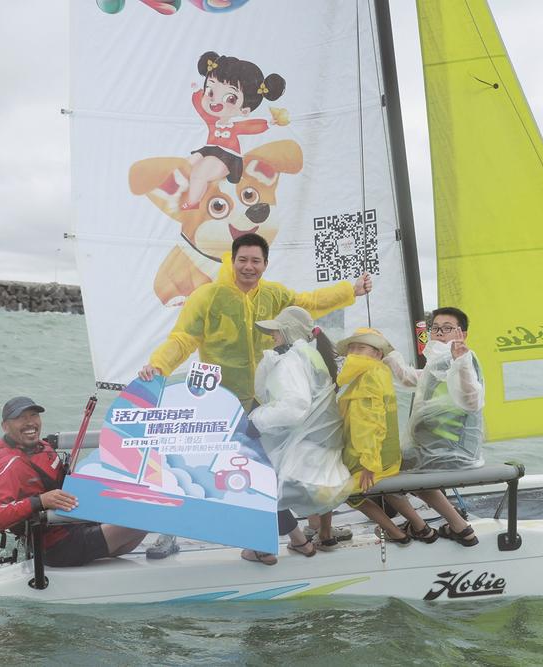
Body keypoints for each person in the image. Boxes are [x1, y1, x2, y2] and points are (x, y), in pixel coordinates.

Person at [139, 232, 371, 559]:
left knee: (260, 474)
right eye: (243, 260)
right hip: (218, 400)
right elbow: (182, 339)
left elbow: (308, 303)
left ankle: (292, 537)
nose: (249, 266)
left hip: (263, 405)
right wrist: (158, 366)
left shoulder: (274, 295)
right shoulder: (207, 296)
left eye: (256, 261)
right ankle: (170, 534)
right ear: (232, 260)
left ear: (265, 263)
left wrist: (350, 291)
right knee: (189, 464)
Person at [0, 397, 148, 567]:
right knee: (146, 516)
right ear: (5, 426)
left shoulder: (38, 446)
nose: (30, 422)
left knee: (137, 505)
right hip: (56, 546)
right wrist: (41, 501)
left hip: (72, 521)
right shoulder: (9, 463)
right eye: (21, 418)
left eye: (34, 415)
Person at [247, 306, 353, 561]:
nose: (272, 336)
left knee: (251, 480)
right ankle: (306, 536)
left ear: (289, 331)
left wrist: (255, 421)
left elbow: (294, 407)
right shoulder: (311, 355)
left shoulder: (290, 362)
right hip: (318, 452)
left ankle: (272, 547)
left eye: (276, 331)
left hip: (300, 454)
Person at [381, 306, 482, 546]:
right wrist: (388, 353)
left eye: (447, 328)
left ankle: (420, 528)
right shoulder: (439, 362)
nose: (439, 333)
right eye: (435, 328)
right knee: (408, 472)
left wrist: (461, 362)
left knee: (382, 472)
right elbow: (410, 378)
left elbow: (472, 399)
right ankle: (459, 527)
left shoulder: (461, 359)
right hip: (436, 448)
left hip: (449, 451)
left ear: (462, 333)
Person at [182, 51, 289, 210]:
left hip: (227, 156)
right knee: (186, 165)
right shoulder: (212, 120)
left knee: (200, 173)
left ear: (244, 110)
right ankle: (189, 195)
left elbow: (251, 126)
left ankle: (192, 203)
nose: (215, 101)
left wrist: (269, 123)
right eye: (210, 91)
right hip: (208, 149)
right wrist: (197, 92)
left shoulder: (235, 126)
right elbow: (200, 106)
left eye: (230, 99)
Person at [334, 327, 410, 543]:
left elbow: (370, 423)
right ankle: (419, 526)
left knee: (344, 492)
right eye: (352, 348)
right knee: (388, 491)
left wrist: (369, 463)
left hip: (373, 460)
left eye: (361, 348)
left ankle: (396, 532)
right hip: (386, 456)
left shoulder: (367, 375)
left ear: (378, 354)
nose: (354, 353)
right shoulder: (377, 372)